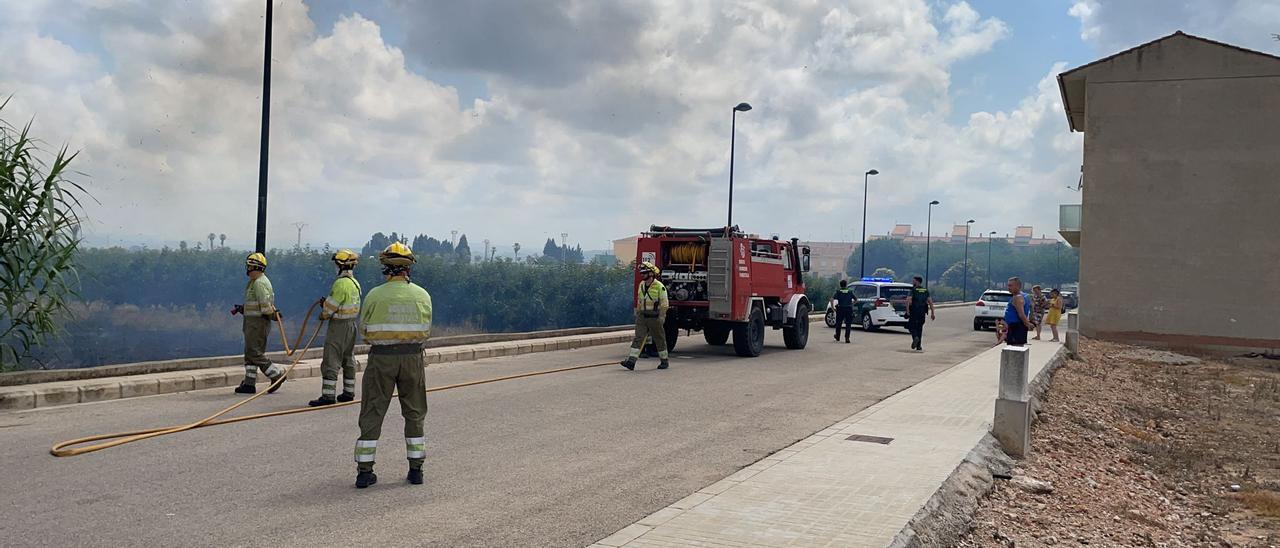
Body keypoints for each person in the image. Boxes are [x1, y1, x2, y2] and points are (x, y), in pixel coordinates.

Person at [354, 242, 433, 488]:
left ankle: (365, 473)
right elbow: (426, 330)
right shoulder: (423, 295)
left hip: (381, 359)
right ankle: (416, 470)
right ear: (408, 269)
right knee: (415, 412)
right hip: (412, 359)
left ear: (385, 268)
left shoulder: (375, 295)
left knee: (372, 411)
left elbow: (364, 331)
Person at [309, 250, 362, 407]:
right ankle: (348, 392)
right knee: (348, 358)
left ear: (340, 265)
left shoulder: (340, 283)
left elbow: (331, 308)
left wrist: (323, 313)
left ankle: (328, 395)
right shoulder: (355, 283)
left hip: (339, 327)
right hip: (352, 325)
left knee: (331, 359)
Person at [232, 253, 286, 394]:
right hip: (251, 323)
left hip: (258, 324)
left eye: (249, 266)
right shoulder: (254, 282)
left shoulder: (260, 283)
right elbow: (257, 305)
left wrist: (274, 315)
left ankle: (276, 374)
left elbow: (265, 307)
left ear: (256, 267)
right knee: (249, 353)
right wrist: (243, 309)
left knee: (255, 353)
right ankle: (249, 384)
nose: (247, 269)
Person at [620, 261, 670, 371]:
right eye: (641, 273)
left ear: (651, 274)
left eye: (644, 273)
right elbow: (640, 301)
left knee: (659, 339)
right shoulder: (641, 285)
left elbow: (664, 304)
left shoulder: (659, 287)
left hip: (655, 317)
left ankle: (664, 361)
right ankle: (631, 362)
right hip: (642, 317)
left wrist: (661, 318)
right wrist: (638, 314)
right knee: (638, 338)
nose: (642, 275)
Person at [906, 275, 935, 352]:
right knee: (920, 328)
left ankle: (915, 337)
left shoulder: (913, 290)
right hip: (922, 312)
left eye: (913, 280)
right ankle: (919, 346)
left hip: (914, 312)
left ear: (917, 281)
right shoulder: (925, 290)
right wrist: (932, 313)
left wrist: (908, 311)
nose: (912, 282)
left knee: (911, 327)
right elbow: (930, 302)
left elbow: (908, 301)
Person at [1004, 277, 1034, 346]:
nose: (1008, 287)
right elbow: (1031, 307)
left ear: (1018, 286)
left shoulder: (1017, 297)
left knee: (1015, 348)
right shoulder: (1025, 296)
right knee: (1017, 348)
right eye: (1008, 285)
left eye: (1010, 285)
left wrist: (1027, 324)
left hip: (1016, 327)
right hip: (1016, 326)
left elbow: (1021, 314)